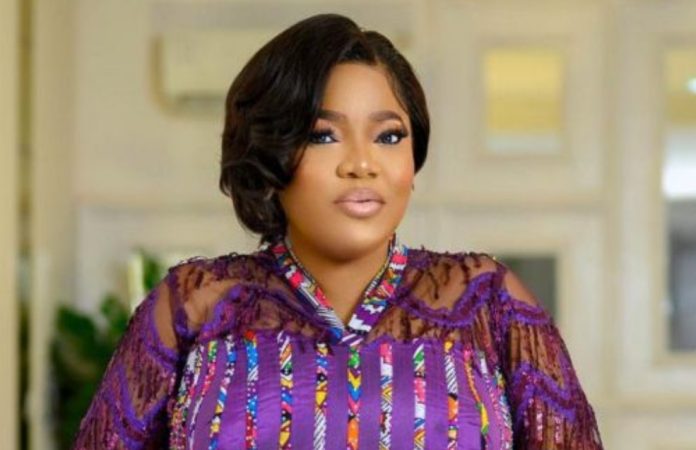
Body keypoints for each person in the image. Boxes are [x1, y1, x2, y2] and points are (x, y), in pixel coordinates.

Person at [73, 13, 603, 450]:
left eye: (388, 136)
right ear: (271, 154)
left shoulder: (488, 302)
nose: (362, 163)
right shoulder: (194, 308)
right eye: (323, 136)